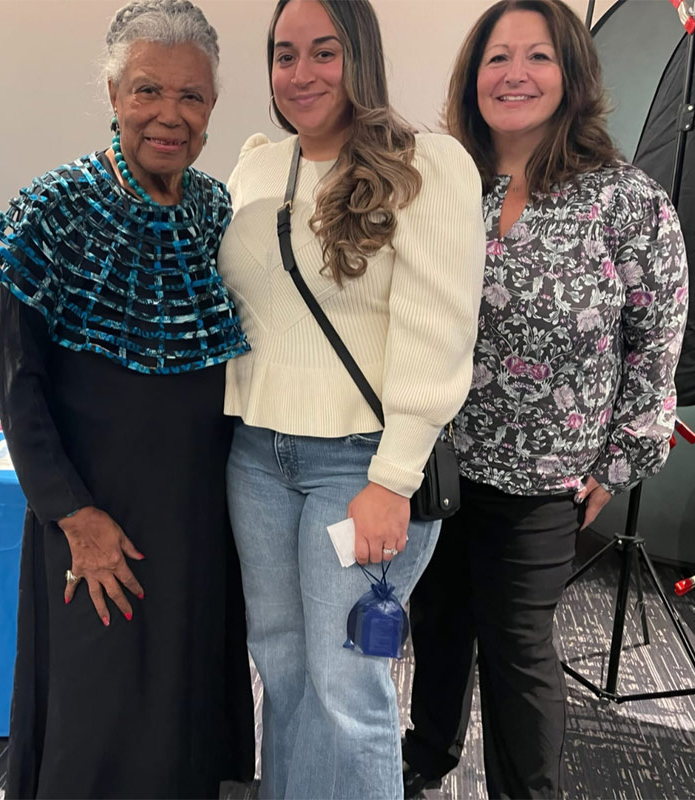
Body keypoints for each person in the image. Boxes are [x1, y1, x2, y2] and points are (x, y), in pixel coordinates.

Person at [0, 1, 255, 797]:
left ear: (212, 109)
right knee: (97, 707)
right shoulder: (53, 210)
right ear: (114, 95)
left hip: (197, 513)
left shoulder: (214, 209)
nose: (169, 115)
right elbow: (18, 388)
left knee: (182, 698)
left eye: (191, 97)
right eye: (147, 92)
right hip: (93, 513)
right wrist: (74, 517)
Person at [403, 1, 689, 797]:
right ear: (473, 76)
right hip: (436, 456)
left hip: (546, 477)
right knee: (438, 623)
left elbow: (656, 339)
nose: (515, 75)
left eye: (537, 57)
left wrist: (625, 457)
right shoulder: (445, 185)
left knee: (518, 646)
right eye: (497, 58)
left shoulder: (627, 202)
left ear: (571, 74)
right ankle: (426, 753)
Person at [217, 1, 485, 797]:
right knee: (283, 666)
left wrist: (393, 477)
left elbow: (437, 331)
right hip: (257, 455)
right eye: (284, 54)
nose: (301, 74)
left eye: (324, 52)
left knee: (348, 684)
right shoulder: (258, 163)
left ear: (360, 55)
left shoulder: (427, 165)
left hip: (359, 464)